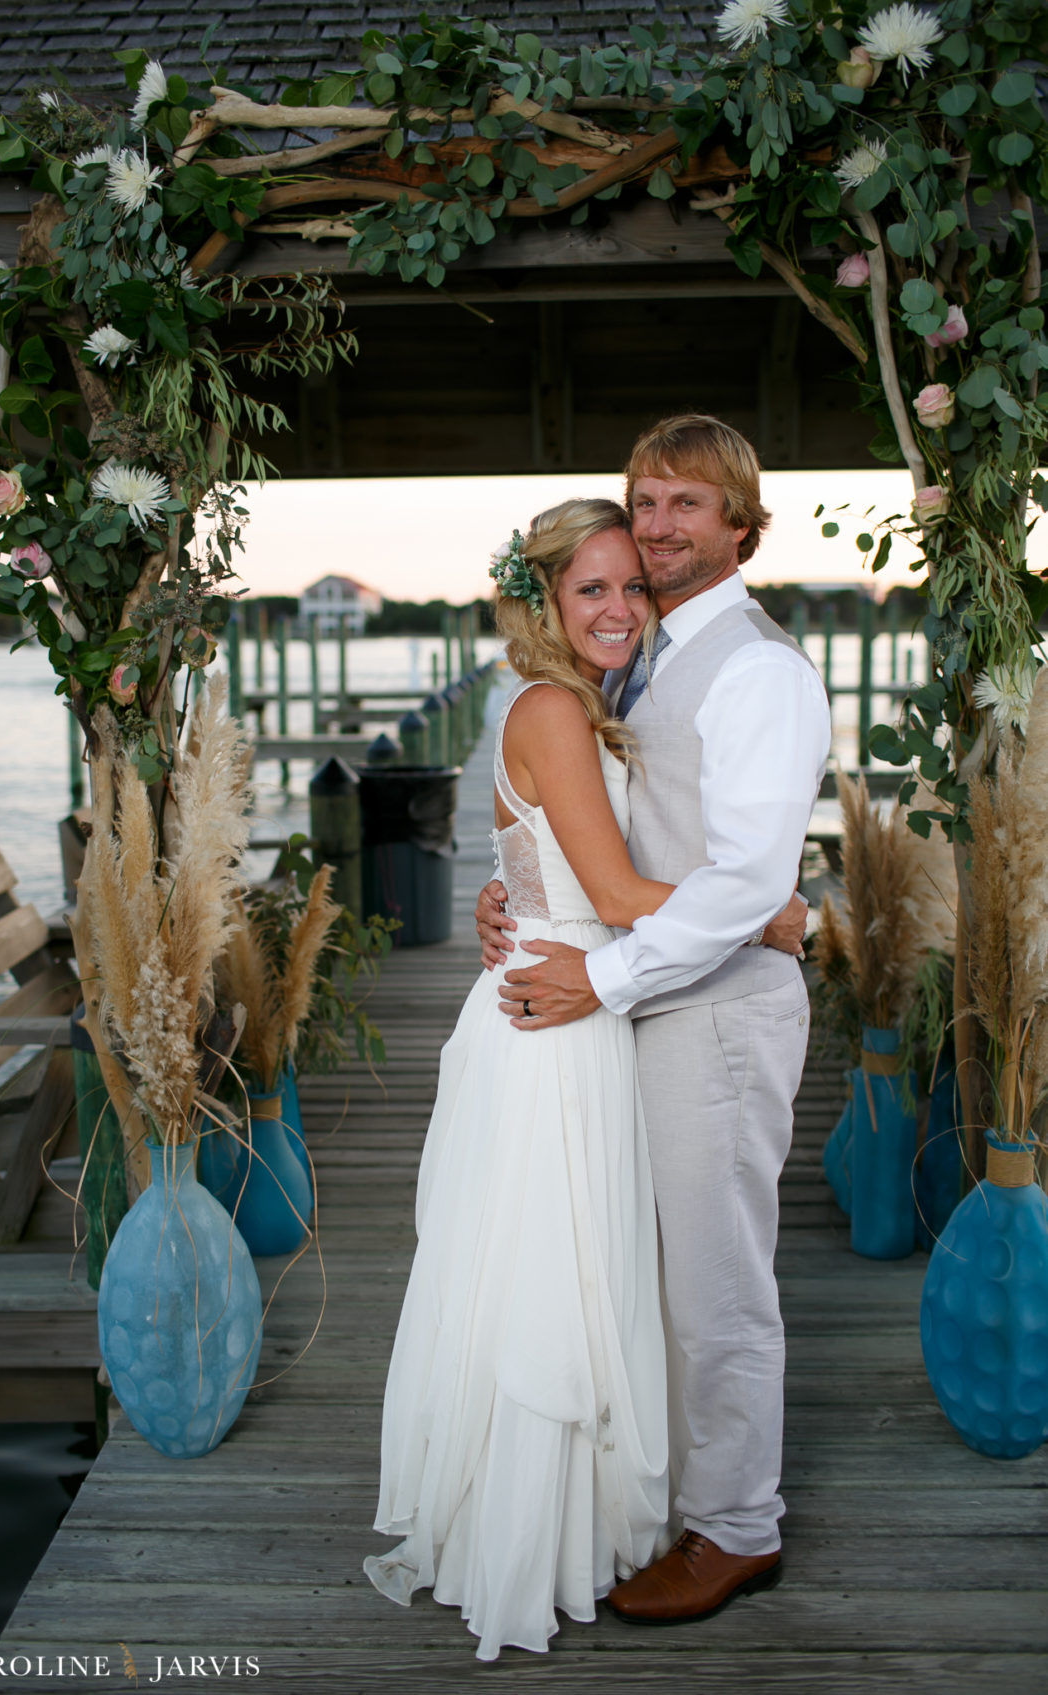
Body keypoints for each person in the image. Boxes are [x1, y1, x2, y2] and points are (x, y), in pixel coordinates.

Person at [364, 496, 805, 1661]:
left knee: (564, 1270)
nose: (619, 608)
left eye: (633, 587)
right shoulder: (559, 708)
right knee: (553, 1279)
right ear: (545, 602)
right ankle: (540, 1533)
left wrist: (513, 895)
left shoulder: (585, 703)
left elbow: (563, 864)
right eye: (590, 590)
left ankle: (578, 1518)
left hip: (572, 1005)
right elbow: (612, 897)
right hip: (555, 1030)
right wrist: (772, 911)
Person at [478, 415, 831, 1627]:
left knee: (717, 1287)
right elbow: (608, 826)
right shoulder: (646, 657)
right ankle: (686, 1493)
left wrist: (607, 975)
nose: (662, 522)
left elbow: (742, 879)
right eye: (647, 500)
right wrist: (520, 890)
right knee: (659, 1273)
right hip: (648, 1001)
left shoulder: (757, 670)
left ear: (739, 524)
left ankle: (737, 1531)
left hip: (716, 1014)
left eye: (689, 503)